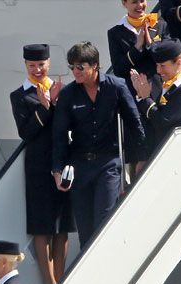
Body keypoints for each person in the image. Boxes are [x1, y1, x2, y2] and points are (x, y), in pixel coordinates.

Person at [52, 42, 148, 248]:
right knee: (85, 229)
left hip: (108, 163)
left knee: (104, 221)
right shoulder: (68, 95)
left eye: (80, 67)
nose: (75, 72)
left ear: (94, 65)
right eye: (72, 67)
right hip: (80, 166)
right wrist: (57, 169)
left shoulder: (116, 86)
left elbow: (134, 123)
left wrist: (141, 158)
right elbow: (59, 134)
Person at [10, 43, 75, 284]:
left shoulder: (65, 92)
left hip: (63, 161)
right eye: (32, 65)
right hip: (38, 165)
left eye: (41, 65)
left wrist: (57, 102)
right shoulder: (20, 96)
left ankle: (60, 280)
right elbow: (26, 132)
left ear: (49, 64)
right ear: (26, 66)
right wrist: (45, 107)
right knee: (42, 226)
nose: (37, 69)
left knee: (62, 226)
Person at [108, 0, 170, 158]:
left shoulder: (159, 25)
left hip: (158, 91)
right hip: (132, 95)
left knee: (159, 144)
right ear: (124, 4)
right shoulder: (115, 32)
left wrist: (150, 44)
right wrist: (137, 48)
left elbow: (167, 58)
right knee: (137, 150)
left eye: (142, 1)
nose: (140, 6)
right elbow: (119, 69)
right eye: (134, 2)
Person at [131, 38, 181, 149]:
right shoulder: (168, 85)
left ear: (178, 63)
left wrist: (145, 97)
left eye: (162, 66)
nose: (158, 71)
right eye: (157, 65)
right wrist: (140, 94)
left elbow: (161, 121)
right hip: (160, 148)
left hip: (174, 150)